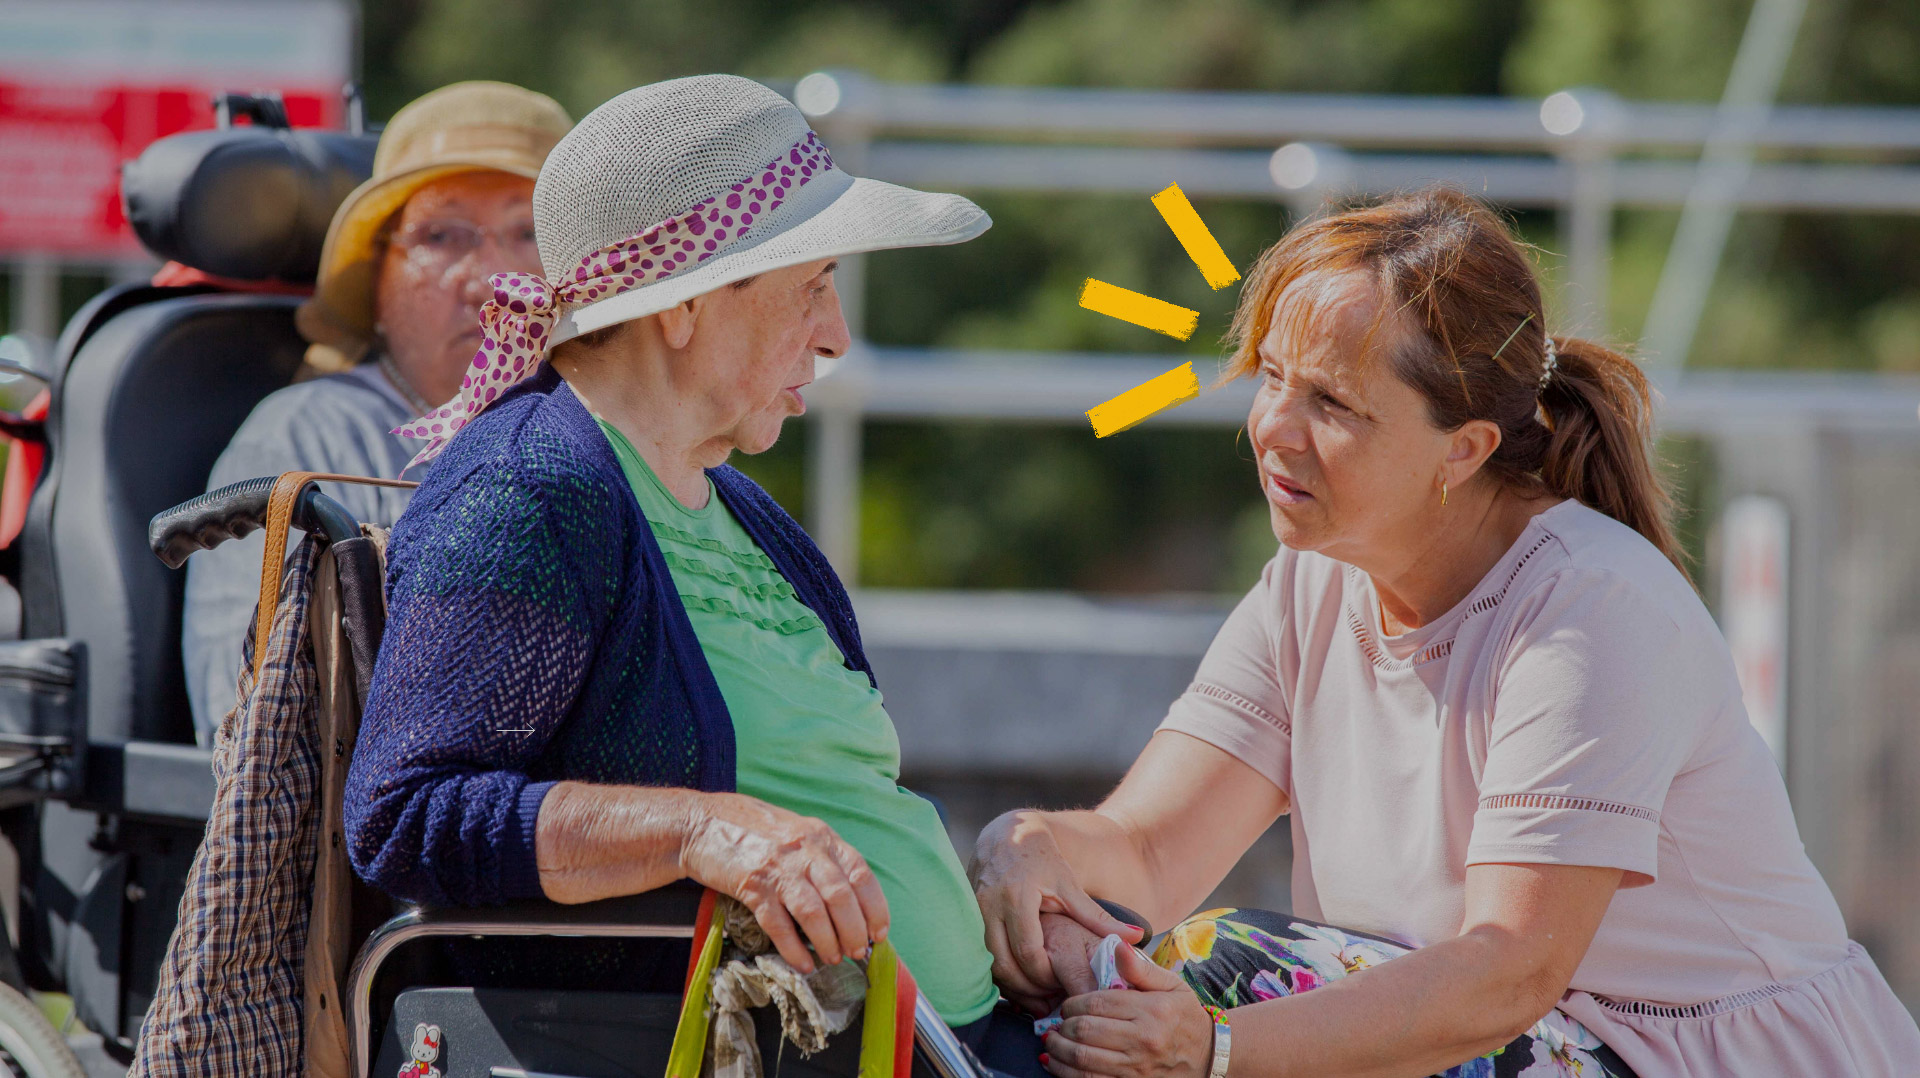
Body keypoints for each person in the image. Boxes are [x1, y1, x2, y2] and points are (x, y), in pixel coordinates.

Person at [971, 189, 1920, 1078]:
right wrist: (1032, 845)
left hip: (1702, 1063)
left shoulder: (1592, 608)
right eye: (1272, 376)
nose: (1275, 428)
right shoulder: (1312, 580)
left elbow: (1507, 973)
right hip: (1524, 1042)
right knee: (1099, 976)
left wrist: (1217, 1049)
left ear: (1464, 450)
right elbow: (1146, 853)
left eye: (1333, 404)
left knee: (1227, 965)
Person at [341, 75, 1066, 1076]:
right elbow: (407, 816)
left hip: (944, 1036)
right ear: (682, 306)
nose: (836, 333)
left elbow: (842, 788)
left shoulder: (738, 504)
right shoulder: (528, 488)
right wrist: (702, 831)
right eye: (812, 285)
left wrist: (990, 919)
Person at [181, 81, 570, 742]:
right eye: (441, 235)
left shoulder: (615, 433)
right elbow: (247, 730)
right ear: (378, 282)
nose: (488, 280)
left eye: (528, 232)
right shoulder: (305, 437)